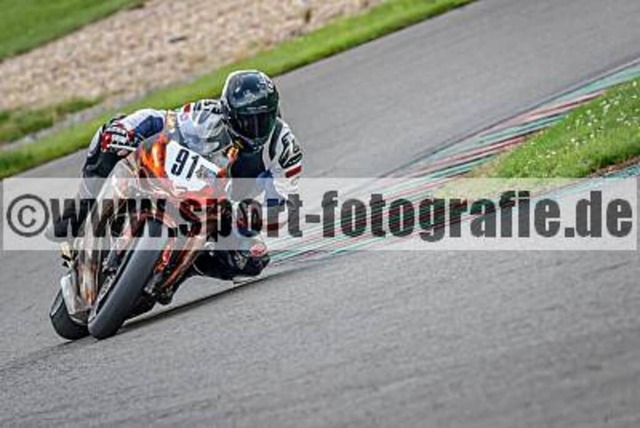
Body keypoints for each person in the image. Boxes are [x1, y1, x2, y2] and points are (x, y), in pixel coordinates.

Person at [50, 70, 302, 283]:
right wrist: (125, 130)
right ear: (228, 113)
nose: (256, 130)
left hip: (224, 213)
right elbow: (158, 119)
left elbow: (284, 203)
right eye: (247, 121)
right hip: (176, 180)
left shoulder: (284, 146)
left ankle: (184, 269)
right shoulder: (207, 114)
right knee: (108, 136)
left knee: (253, 259)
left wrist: (255, 214)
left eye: (263, 119)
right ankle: (80, 209)